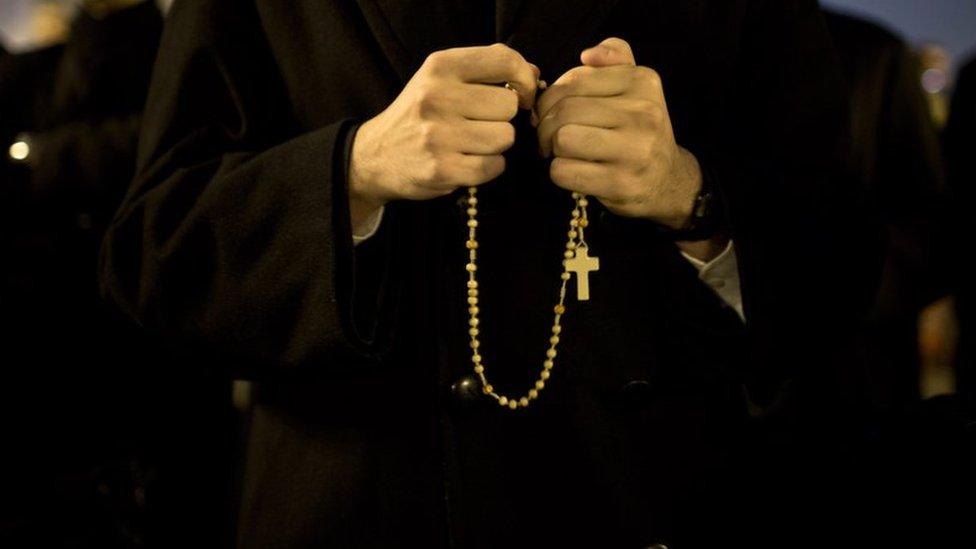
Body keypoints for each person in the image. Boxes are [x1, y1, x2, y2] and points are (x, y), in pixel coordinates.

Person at [100, 1, 884, 547]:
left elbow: (840, 267)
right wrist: (353, 169)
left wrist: (690, 192)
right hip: (351, 513)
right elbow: (156, 252)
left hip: (647, 498)